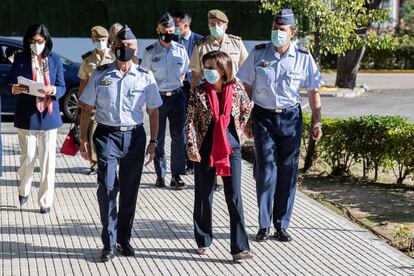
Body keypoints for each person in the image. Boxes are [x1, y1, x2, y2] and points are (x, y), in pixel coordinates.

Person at [236, 8, 323, 242]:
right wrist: (246, 120)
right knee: (265, 171)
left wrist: (318, 120)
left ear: (292, 32)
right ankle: (263, 224)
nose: (277, 33)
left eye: (282, 30)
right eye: (274, 29)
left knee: (288, 171)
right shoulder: (258, 53)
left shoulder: (304, 57)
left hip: (291, 118)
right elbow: (246, 88)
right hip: (263, 117)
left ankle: (281, 224)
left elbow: (314, 91)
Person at [79, 25, 162, 262]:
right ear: (113, 48)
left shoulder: (145, 75)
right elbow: (86, 109)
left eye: (128, 46)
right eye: (119, 46)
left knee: (129, 191)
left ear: (135, 49)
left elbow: (154, 111)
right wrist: (83, 139)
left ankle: (124, 240)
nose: (123, 50)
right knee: (107, 188)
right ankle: (108, 242)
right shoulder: (101, 74)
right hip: (106, 135)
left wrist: (154, 141)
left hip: (135, 137)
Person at [186, 51, 253, 262]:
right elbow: (190, 122)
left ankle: (240, 247)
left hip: (230, 150)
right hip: (205, 150)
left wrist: (237, 131)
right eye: (206, 67)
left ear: (224, 69)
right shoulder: (198, 92)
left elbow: (246, 108)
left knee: (234, 197)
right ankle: (203, 239)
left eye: (212, 67)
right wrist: (192, 148)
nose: (208, 71)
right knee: (204, 195)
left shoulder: (237, 88)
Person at [8, 24, 66, 214]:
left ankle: (45, 201)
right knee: (29, 157)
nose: (36, 45)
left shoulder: (55, 59)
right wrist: (13, 88)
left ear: (47, 41)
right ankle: (24, 188)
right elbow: (7, 81)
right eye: (32, 41)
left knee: (48, 161)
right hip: (27, 116)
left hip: (49, 116)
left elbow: (62, 86)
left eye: (39, 41)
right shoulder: (21, 58)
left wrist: (54, 90)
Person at [189, 9, 248, 191]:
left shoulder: (236, 43)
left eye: (219, 24)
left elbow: (245, 72)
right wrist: (194, 97)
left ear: (226, 25)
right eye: (212, 24)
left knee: (228, 139)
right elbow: (196, 74)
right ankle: (213, 180)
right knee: (209, 138)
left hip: (231, 97)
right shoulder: (201, 45)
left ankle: (222, 178)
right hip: (209, 97)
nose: (215, 27)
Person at [141, 12, 189, 189]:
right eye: (164, 29)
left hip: (177, 97)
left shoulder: (180, 50)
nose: (168, 33)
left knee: (179, 137)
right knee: (158, 137)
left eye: (170, 30)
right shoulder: (149, 52)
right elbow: (144, 76)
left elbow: (184, 72)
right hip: (158, 99)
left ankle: (176, 175)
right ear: (158, 30)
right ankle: (160, 175)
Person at [78, 26, 115, 175]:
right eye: (97, 40)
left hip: (110, 101)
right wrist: (81, 101)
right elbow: (83, 81)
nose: (100, 42)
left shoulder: (113, 56)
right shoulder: (88, 59)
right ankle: (95, 163)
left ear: (108, 40)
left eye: (103, 40)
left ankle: (110, 161)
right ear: (92, 41)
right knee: (92, 133)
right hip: (93, 103)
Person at [172, 11, 204, 175]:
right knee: (182, 122)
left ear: (187, 25)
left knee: (195, 122)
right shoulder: (172, 40)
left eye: (177, 27)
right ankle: (185, 159)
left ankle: (193, 160)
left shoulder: (199, 40)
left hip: (196, 86)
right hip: (178, 86)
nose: (174, 30)